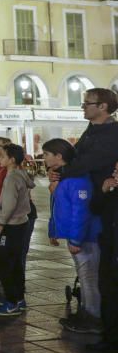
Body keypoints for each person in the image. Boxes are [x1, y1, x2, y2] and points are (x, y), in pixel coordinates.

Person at [43, 138, 101, 334]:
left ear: (59, 156)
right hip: (79, 236)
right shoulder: (64, 178)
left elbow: (81, 212)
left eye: (46, 154)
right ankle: (87, 314)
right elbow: (58, 206)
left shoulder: (77, 179)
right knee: (84, 277)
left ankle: (93, 318)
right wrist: (54, 230)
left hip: (87, 238)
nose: (44, 158)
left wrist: (75, 239)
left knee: (89, 278)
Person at [0, 144, 34, 317]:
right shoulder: (21, 174)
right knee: (15, 262)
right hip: (21, 223)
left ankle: (12, 301)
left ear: (12, 160)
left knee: (3, 261)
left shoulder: (11, 178)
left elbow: (9, 204)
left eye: (2, 156)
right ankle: (19, 297)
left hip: (12, 225)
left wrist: (1, 221)